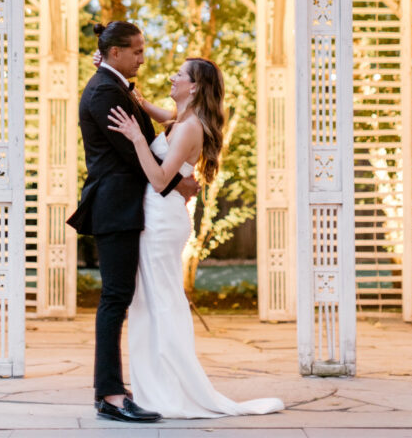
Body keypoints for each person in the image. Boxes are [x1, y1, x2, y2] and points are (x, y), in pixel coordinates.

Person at [108, 56, 284, 419]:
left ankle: (173, 389)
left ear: (195, 87)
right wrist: (111, 69)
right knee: (149, 302)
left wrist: (137, 139)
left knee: (161, 302)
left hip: (161, 221)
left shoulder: (189, 129)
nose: (172, 77)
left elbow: (159, 182)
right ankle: (156, 385)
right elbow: (148, 108)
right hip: (157, 220)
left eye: (180, 75)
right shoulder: (181, 121)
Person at [66, 20, 198, 424]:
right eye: (137, 51)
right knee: (115, 299)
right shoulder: (105, 92)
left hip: (127, 208)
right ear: (117, 52)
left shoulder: (113, 84)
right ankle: (110, 394)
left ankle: (119, 387)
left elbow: (145, 123)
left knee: (120, 298)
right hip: (116, 209)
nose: (143, 57)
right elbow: (132, 155)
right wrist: (179, 184)